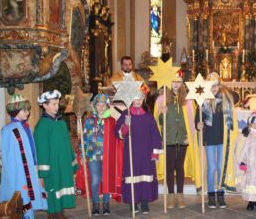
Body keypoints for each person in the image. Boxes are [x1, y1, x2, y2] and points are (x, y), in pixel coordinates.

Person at [154, 70, 201, 208]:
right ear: (169, 83)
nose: (175, 84)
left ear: (182, 83)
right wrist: (163, 114)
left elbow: (190, 120)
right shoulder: (161, 100)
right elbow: (158, 122)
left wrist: (189, 136)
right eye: (173, 81)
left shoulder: (188, 100)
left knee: (179, 168)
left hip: (182, 139)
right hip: (168, 140)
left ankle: (180, 196)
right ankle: (170, 196)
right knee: (169, 168)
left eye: (178, 81)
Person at [115, 86, 162, 214]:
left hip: (146, 154)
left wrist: (155, 153)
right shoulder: (126, 114)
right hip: (132, 153)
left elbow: (155, 135)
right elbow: (118, 132)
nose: (138, 100)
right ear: (131, 99)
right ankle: (133, 202)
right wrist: (125, 126)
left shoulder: (148, 117)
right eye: (135, 98)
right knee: (132, 177)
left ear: (144, 99)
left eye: (140, 98)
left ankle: (145, 202)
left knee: (146, 177)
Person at [0, 94, 47, 219]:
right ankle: (24, 215)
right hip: (18, 171)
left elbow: (31, 148)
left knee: (29, 194)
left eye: (28, 110)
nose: (28, 112)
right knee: (22, 195)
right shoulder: (8, 130)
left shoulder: (25, 127)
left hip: (30, 167)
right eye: (24, 110)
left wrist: (35, 165)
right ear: (16, 111)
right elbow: (7, 155)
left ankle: (29, 215)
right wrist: (12, 174)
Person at [34, 90, 78, 219]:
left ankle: (60, 213)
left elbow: (67, 144)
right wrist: (43, 171)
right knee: (53, 189)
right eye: (53, 104)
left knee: (62, 188)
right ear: (45, 105)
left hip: (63, 164)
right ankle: (53, 214)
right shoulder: (42, 126)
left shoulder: (61, 123)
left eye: (57, 104)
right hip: (52, 165)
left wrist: (72, 161)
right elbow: (41, 149)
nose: (57, 107)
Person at [196, 72, 236, 209]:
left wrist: (226, 92)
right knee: (212, 167)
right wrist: (198, 124)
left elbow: (235, 98)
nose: (213, 88)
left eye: (216, 85)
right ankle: (211, 195)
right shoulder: (202, 100)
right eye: (211, 86)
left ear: (220, 85)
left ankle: (220, 193)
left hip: (222, 138)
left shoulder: (226, 98)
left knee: (220, 167)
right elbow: (198, 118)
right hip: (209, 138)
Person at [80, 94, 123, 215]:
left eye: (103, 105)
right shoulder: (89, 121)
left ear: (107, 106)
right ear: (94, 106)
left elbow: (117, 138)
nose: (100, 107)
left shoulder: (111, 121)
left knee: (106, 180)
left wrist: (124, 129)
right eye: (98, 105)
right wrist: (83, 155)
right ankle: (95, 204)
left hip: (107, 156)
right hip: (92, 156)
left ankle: (105, 203)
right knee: (95, 180)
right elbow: (84, 138)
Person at [233, 111, 256, 212]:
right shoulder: (246, 136)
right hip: (250, 166)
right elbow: (243, 150)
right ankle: (251, 201)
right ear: (250, 124)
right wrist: (242, 162)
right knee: (250, 182)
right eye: (253, 123)